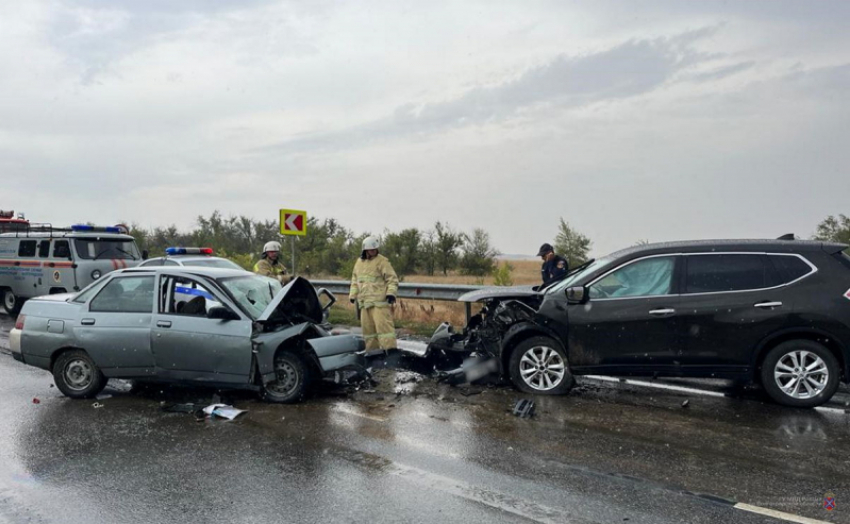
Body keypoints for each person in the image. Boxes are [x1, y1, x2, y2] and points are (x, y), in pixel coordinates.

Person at [349, 236, 399, 353]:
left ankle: (391, 355)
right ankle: (373, 355)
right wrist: (352, 295)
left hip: (379, 304)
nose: (374, 251)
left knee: (385, 332)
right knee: (369, 333)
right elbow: (355, 281)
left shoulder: (382, 261)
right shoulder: (359, 263)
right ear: (365, 250)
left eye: (375, 249)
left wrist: (391, 294)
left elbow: (392, 279)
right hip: (364, 304)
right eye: (371, 250)